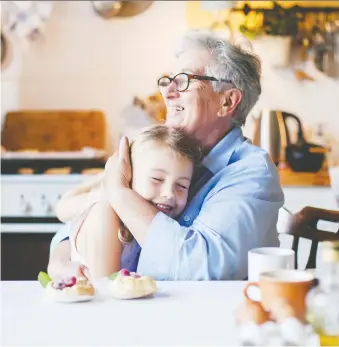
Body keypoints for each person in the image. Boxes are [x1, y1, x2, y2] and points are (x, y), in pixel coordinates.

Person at [49, 29, 284, 280]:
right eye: (168, 80)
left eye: (183, 80)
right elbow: (79, 227)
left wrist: (120, 194)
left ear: (227, 102)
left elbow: (201, 271)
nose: (167, 92)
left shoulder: (250, 173)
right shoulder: (161, 155)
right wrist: (61, 261)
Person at [48, 125, 201, 279]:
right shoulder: (106, 212)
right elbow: (108, 291)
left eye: (181, 185)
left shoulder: (169, 225)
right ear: (128, 176)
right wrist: (106, 179)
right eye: (157, 179)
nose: (169, 194)